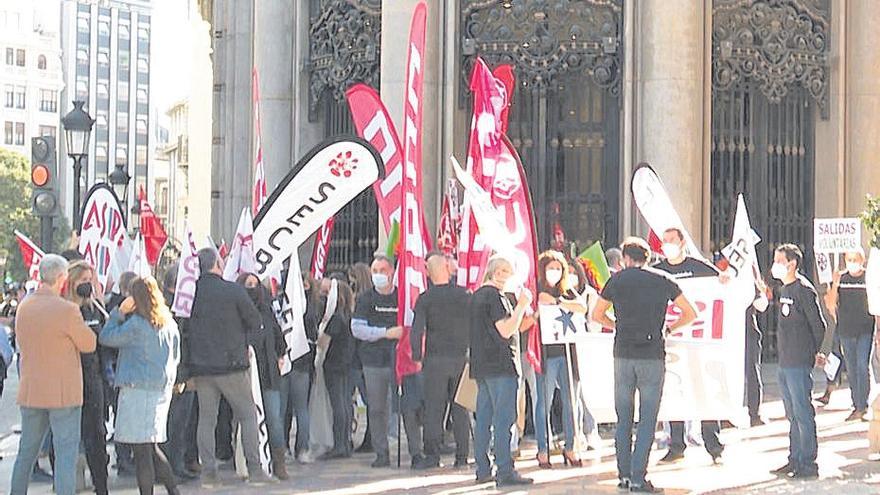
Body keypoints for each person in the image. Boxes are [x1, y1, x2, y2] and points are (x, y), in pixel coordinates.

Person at [592, 237, 697, 494]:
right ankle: (639, 476)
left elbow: (596, 314)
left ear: (625, 259)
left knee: (623, 418)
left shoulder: (616, 280)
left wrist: (618, 325)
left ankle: (624, 475)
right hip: (652, 355)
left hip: (623, 354)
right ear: (647, 258)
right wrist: (668, 328)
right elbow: (690, 312)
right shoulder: (662, 280)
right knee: (648, 418)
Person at [10, 254, 97, 495]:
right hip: (63, 394)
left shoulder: (24, 307)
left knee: (26, 453)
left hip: (31, 391)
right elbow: (89, 343)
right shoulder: (68, 310)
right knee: (65, 455)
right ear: (61, 278)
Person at [187, 248, 273, 485]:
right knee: (247, 416)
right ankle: (255, 471)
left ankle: (209, 475)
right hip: (232, 365)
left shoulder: (191, 293)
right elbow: (255, 321)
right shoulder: (232, 291)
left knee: (207, 420)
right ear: (217, 263)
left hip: (202, 367)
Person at [99, 276, 181, 495]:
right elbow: (176, 358)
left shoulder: (136, 325)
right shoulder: (169, 324)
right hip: (160, 391)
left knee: (143, 452)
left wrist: (119, 313)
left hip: (137, 391)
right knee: (151, 448)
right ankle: (173, 491)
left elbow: (106, 338)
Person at [652, 228, 725, 464]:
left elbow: (721, 285)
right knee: (675, 390)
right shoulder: (658, 270)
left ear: (682, 242)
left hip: (699, 342)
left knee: (703, 389)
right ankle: (676, 444)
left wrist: (725, 280)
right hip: (672, 341)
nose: (667, 244)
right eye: (665, 241)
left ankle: (712, 443)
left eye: (671, 240)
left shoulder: (699, 267)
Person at [470, 256, 534, 487]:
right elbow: (506, 330)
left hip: (482, 366)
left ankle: (483, 467)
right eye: (504, 270)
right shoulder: (496, 298)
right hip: (501, 365)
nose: (507, 275)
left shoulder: (477, 296)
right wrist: (521, 306)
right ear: (495, 272)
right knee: (504, 419)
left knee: (484, 417)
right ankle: (504, 469)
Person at [769, 244, 827, 479]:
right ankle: (794, 458)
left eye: (779, 260)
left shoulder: (804, 289)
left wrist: (816, 352)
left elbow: (819, 325)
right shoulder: (785, 289)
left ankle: (808, 462)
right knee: (792, 413)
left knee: (803, 412)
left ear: (792, 264)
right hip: (785, 361)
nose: (776, 265)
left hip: (799, 362)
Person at [411, 253, 471, 470]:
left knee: (434, 410)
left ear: (428, 272)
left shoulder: (425, 298)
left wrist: (417, 356)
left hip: (435, 360)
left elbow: (417, 330)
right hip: (460, 358)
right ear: (447, 268)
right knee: (460, 408)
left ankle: (432, 456)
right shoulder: (465, 295)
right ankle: (462, 455)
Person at [351, 255, 404, 468]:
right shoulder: (365, 299)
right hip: (373, 361)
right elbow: (357, 329)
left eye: (382, 270)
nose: (379, 275)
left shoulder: (401, 296)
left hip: (399, 360)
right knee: (376, 408)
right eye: (375, 271)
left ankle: (413, 449)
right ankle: (381, 452)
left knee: (404, 407)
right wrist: (385, 333)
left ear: (391, 272)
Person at [535, 250, 586, 468]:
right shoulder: (535, 290)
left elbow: (581, 307)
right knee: (543, 404)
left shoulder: (568, 291)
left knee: (571, 402)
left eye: (558, 268)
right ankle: (543, 449)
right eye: (550, 268)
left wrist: (558, 301)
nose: (554, 273)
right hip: (545, 354)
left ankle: (571, 447)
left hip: (567, 353)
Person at [237, 273, 290, 479]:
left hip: (269, 375)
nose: (252, 288)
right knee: (248, 420)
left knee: (274, 419)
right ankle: (251, 462)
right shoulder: (237, 313)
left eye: (255, 284)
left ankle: (279, 462)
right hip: (246, 374)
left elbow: (279, 338)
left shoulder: (267, 311)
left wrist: (280, 355)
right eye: (247, 285)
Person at [64, 261, 110, 495]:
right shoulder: (66, 310)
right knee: (67, 435)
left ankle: (101, 485)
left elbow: (104, 345)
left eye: (90, 281)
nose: (87, 286)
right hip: (69, 379)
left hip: (93, 379)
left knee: (97, 435)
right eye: (83, 281)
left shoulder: (95, 310)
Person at [158, 266, 199, 480]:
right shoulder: (176, 308)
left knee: (177, 423)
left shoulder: (165, 305)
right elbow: (182, 343)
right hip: (179, 375)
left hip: (176, 373)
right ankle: (172, 467)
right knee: (176, 423)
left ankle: (174, 465)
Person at [824, 249, 875, 421]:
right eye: (849, 259)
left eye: (855, 259)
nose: (852, 262)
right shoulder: (842, 279)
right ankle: (856, 405)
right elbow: (831, 305)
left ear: (862, 260)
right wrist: (835, 284)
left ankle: (863, 405)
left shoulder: (869, 278)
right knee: (852, 369)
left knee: (862, 365)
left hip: (865, 329)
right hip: (846, 330)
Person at [279, 272, 318, 464]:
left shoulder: (283, 304)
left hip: (290, 361)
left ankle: (283, 448)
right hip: (301, 362)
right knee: (300, 408)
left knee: (285, 408)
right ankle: (302, 449)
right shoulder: (313, 305)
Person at [318, 278, 357, 460]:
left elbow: (323, 341)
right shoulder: (350, 315)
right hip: (347, 363)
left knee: (338, 404)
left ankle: (339, 444)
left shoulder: (336, 317)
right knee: (345, 402)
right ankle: (346, 442)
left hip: (334, 363)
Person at [347, 262, 375, 453]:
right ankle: (370, 438)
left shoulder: (362, 301)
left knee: (367, 399)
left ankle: (370, 439)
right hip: (363, 357)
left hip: (359, 358)